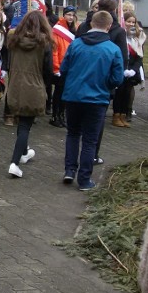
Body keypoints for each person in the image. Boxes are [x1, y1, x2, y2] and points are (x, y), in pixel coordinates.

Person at [60, 10, 124, 191]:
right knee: (89, 140)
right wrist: (105, 85)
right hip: (97, 99)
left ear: (91, 24)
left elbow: (64, 69)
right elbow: (117, 79)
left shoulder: (76, 44)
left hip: (73, 96)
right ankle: (84, 179)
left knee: (72, 134)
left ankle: (69, 170)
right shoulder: (113, 49)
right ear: (109, 26)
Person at [76, 0, 127, 163]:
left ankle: (76, 154)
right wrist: (114, 82)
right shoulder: (118, 31)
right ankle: (92, 154)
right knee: (97, 121)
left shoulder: (85, 25)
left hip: (81, 79)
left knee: (78, 122)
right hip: (103, 84)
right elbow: (122, 59)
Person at [4, 10, 53, 178]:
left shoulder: (13, 40)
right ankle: (14, 162)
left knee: (21, 122)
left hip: (15, 86)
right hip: (34, 86)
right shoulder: (44, 44)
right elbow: (48, 70)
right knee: (25, 125)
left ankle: (24, 152)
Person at [49, 5, 78, 128]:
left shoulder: (74, 29)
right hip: (60, 66)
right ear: (64, 15)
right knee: (59, 93)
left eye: (72, 15)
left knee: (65, 93)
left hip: (70, 66)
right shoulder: (58, 29)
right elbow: (54, 50)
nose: (71, 17)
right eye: (68, 14)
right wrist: (56, 67)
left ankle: (62, 115)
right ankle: (55, 115)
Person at [119, 11, 146, 126]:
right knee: (119, 92)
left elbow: (140, 55)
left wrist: (134, 70)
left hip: (132, 68)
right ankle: (118, 114)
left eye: (133, 22)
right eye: (128, 21)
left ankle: (126, 113)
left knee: (128, 90)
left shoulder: (138, 37)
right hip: (121, 68)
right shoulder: (120, 35)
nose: (130, 24)